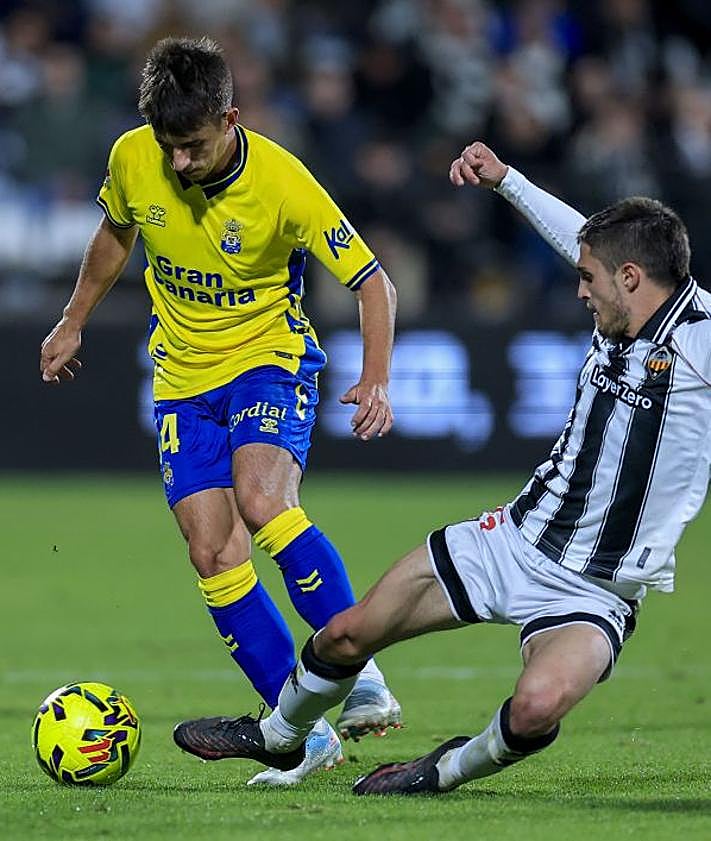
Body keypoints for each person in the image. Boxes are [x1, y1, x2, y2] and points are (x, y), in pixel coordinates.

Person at [174, 140, 711, 793]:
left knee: (536, 707)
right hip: (511, 542)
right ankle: (279, 736)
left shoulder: (700, 344)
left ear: (630, 277)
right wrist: (506, 180)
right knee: (347, 635)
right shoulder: (623, 294)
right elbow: (578, 234)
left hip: (597, 593)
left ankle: (442, 769)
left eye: (588, 279)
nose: (579, 290)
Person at [39, 36, 401, 787]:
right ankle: (304, 736)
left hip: (268, 359)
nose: (178, 162)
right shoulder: (134, 156)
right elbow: (116, 232)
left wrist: (375, 378)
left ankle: (358, 667)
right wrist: (73, 318)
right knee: (212, 552)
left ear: (230, 118)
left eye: (193, 146)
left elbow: (372, 282)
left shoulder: (283, 182)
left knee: (262, 498)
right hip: (180, 378)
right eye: (168, 146)